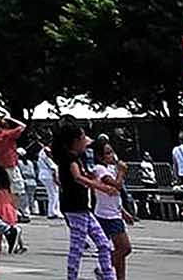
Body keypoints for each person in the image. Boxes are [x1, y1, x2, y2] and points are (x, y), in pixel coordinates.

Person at [55, 120, 116, 280]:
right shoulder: (69, 158)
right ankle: (72, 277)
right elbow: (77, 177)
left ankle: (108, 275)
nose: (86, 142)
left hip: (83, 208)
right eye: (83, 138)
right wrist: (100, 186)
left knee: (104, 244)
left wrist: (90, 178)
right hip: (75, 208)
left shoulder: (75, 158)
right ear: (75, 142)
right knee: (77, 247)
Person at [91, 138, 131, 280]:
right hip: (106, 215)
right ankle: (104, 268)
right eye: (107, 153)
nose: (111, 156)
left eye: (111, 152)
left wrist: (123, 212)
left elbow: (116, 195)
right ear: (100, 156)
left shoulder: (110, 168)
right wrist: (121, 172)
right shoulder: (99, 169)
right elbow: (116, 186)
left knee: (119, 249)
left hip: (115, 213)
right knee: (125, 248)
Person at [38, 142, 61, 219]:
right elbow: (53, 168)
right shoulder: (46, 155)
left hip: (44, 175)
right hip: (48, 175)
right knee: (53, 194)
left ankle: (56, 211)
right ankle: (52, 212)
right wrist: (56, 179)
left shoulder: (41, 154)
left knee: (54, 193)